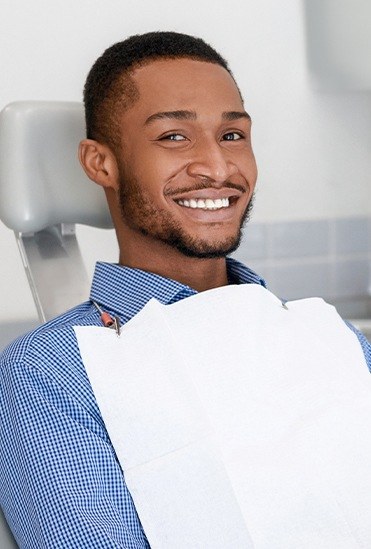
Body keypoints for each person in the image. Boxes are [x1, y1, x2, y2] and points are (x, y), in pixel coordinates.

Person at [0, 31, 370, 549]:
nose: (217, 168)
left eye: (233, 135)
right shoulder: (50, 375)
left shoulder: (333, 339)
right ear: (99, 163)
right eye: (174, 137)